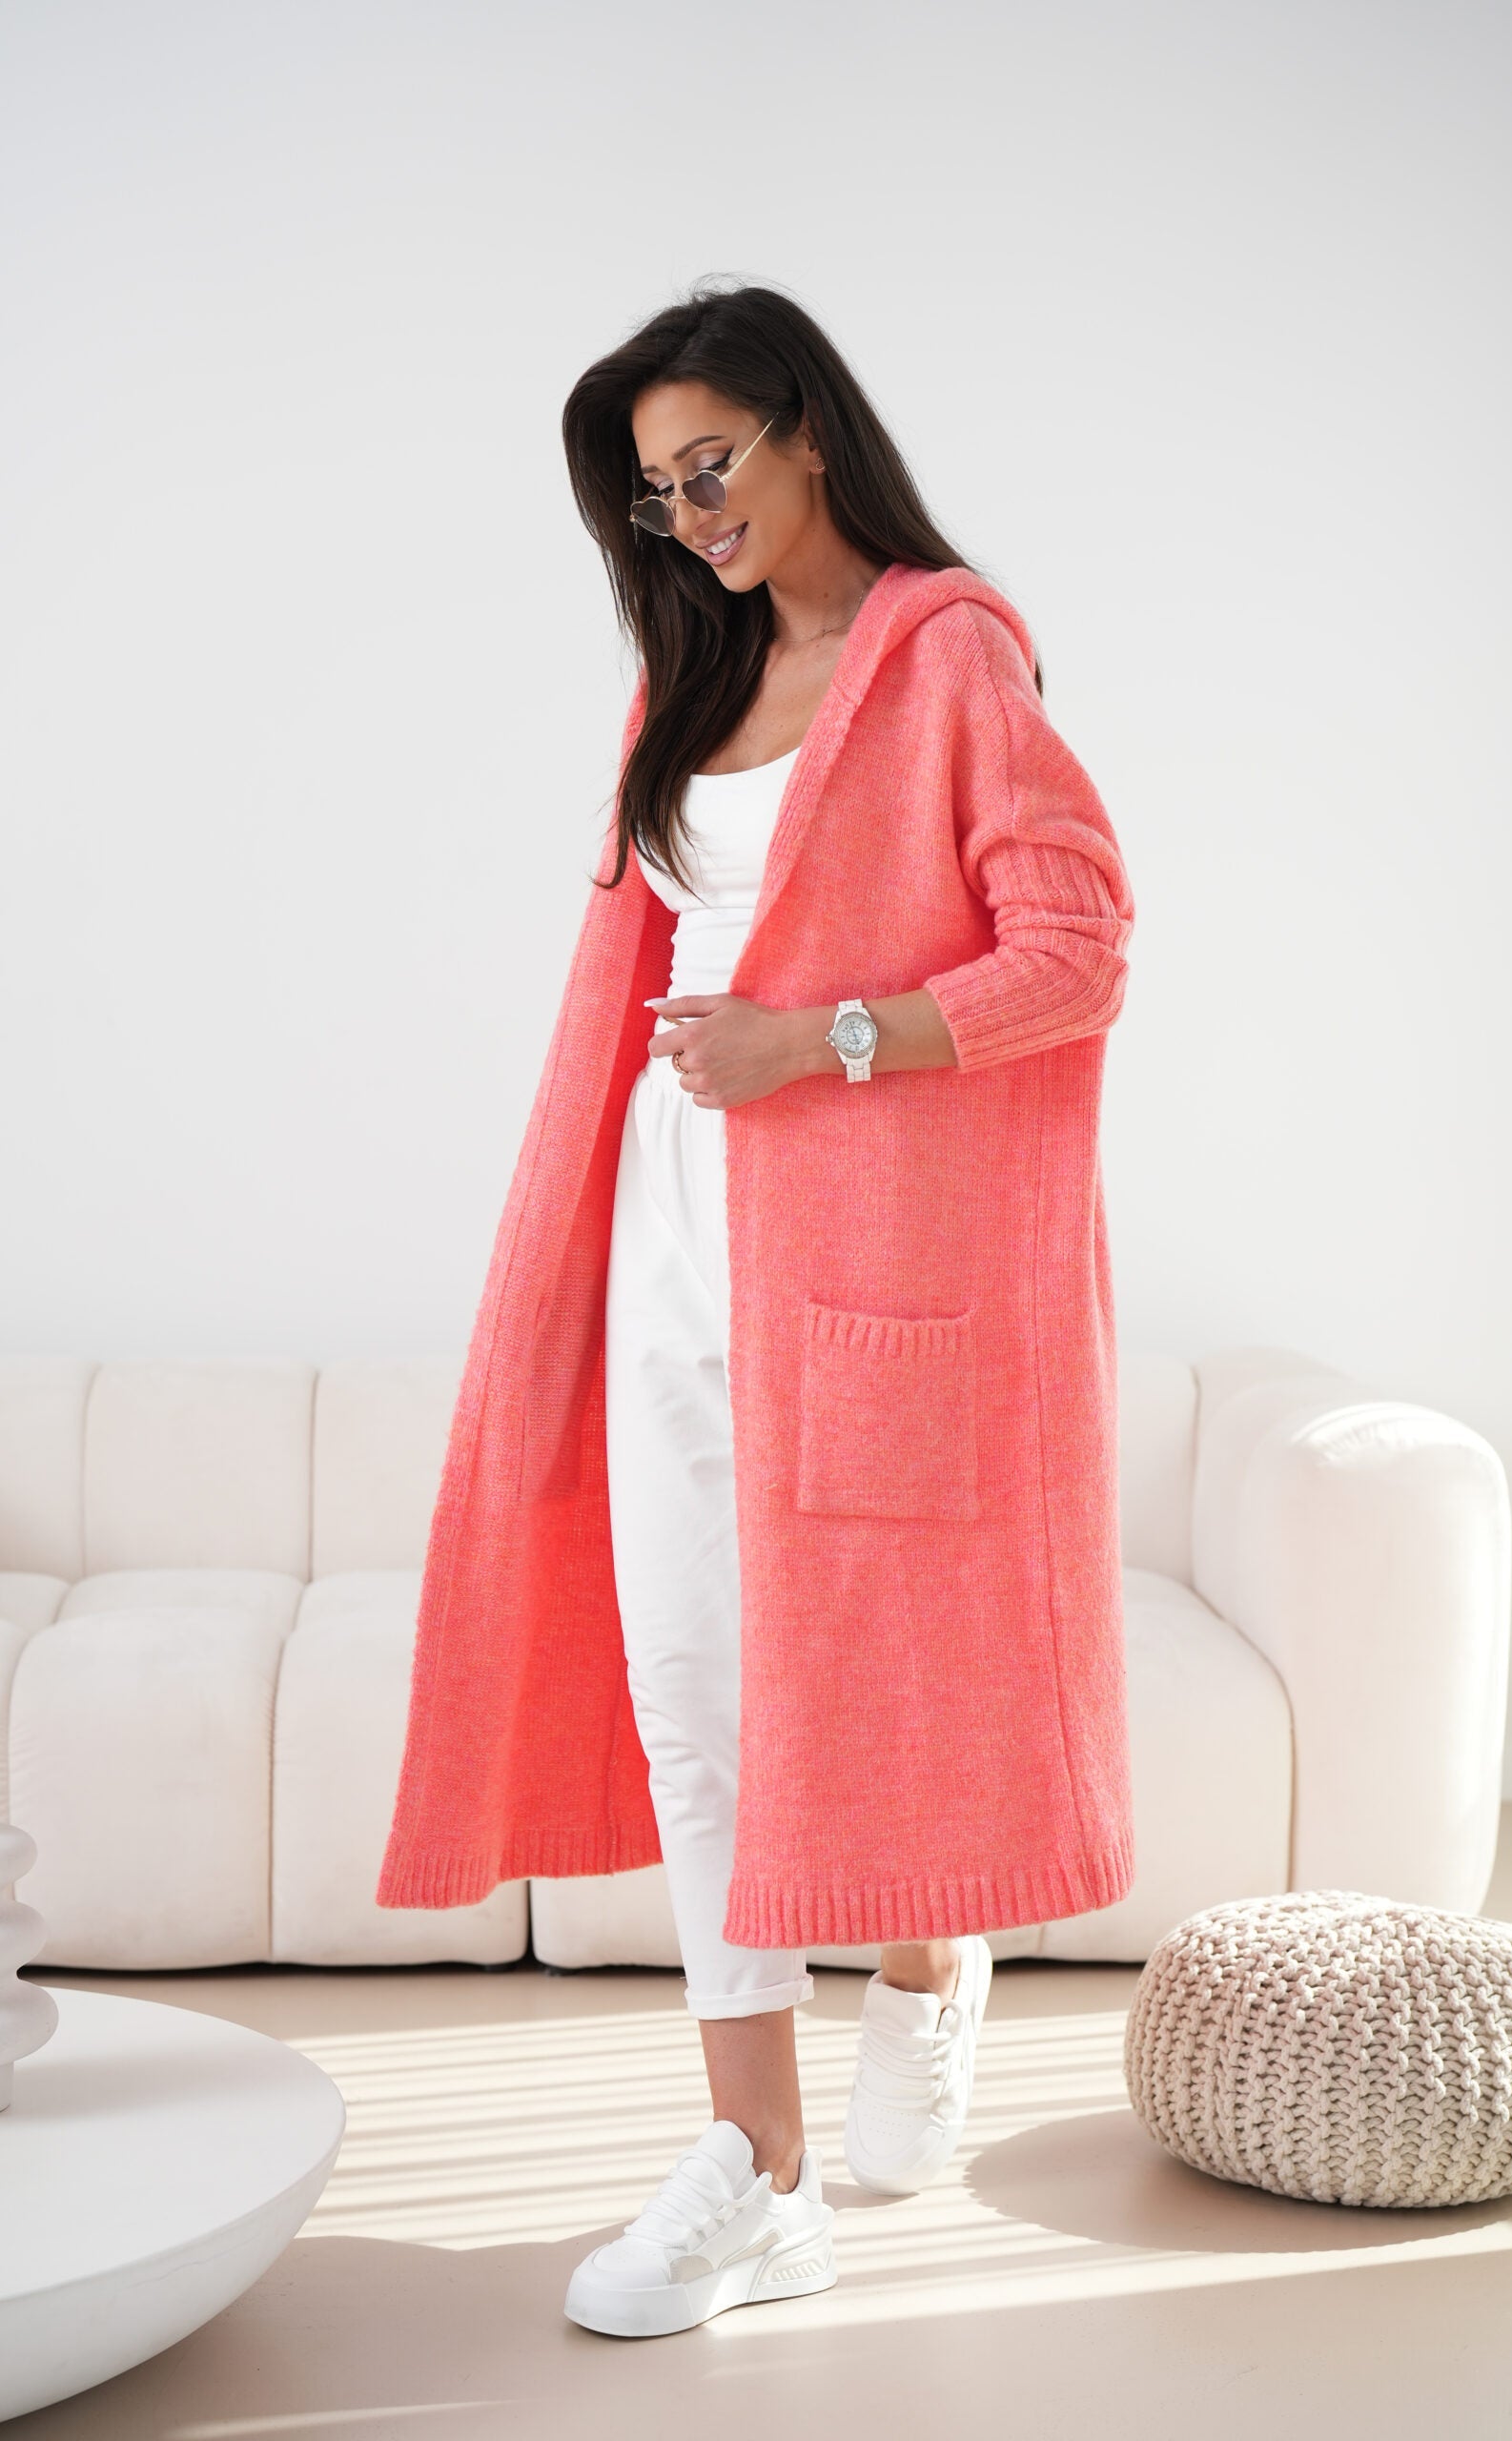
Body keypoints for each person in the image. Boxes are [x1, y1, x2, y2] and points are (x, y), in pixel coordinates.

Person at [376, 279, 1138, 2341]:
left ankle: (925, 1956)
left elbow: (1078, 945)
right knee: (692, 1681)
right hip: (667, 1213)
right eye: (654, 492)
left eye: (709, 463)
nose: (689, 513)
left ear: (809, 430)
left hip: (864, 1243)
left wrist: (826, 1040)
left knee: (863, 1673)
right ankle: (759, 2171)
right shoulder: (685, 675)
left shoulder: (949, 653)